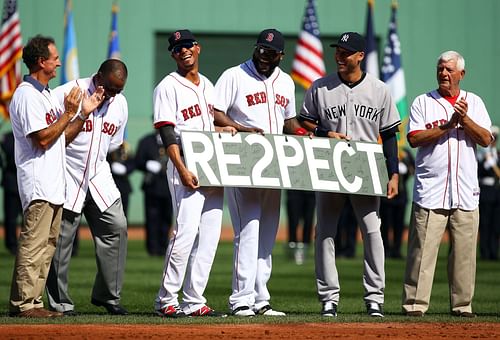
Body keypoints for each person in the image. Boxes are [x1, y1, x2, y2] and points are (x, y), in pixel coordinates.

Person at [298, 32, 401, 318]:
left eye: (346, 52)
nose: (339, 56)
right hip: (329, 166)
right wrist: (324, 132)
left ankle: (374, 298)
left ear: (360, 56)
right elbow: (303, 121)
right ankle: (329, 298)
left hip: (366, 168)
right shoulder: (320, 87)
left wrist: (393, 173)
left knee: (372, 232)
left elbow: (389, 135)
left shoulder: (379, 89)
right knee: (325, 233)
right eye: (338, 51)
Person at [8, 35, 103, 318]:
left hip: (53, 185)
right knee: (33, 245)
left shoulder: (46, 94)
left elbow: (61, 139)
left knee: (47, 247)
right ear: (41, 62)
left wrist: (81, 116)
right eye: (54, 57)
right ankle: (23, 304)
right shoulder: (26, 95)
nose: (59, 62)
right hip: (38, 183)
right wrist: (69, 112)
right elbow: (43, 140)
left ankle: (34, 303)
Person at [214, 28, 304, 317]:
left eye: (270, 53)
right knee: (248, 231)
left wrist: (307, 134)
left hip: (274, 165)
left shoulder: (286, 82)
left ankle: (260, 298)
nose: (264, 56)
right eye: (260, 50)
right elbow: (215, 113)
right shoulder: (234, 75)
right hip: (243, 162)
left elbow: (288, 122)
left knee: (267, 234)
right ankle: (241, 299)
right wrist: (241, 129)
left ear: (281, 55)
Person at [402, 51, 493, 318]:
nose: (444, 73)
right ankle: (415, 305)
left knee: (465, 255)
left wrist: (464, 120)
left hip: (465, 190)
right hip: (431, 189)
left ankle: (462, 305)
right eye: (440, 68)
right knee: (421, 253)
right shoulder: (423, 102)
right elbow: (415, 138)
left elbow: (487, 139)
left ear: (461, 74)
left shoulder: (473, 102)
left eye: (449, 69)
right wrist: (448, 125)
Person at [153, 29, 235, 318]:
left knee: (210, 237)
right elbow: (167, 133)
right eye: (177, 48)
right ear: (173, 55)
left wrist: (222, 128)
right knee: (185, 234)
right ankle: (166, 299)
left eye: (187, 45)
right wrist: (182, 169)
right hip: (185, 165)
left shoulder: (208, 86)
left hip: (212, 167)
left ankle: (194, 300)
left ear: (197, 48)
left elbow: (203, 128)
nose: (183, 51)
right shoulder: (168, 86)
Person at [46, 59, 129, 316]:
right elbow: (54, 138)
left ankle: (108, 296)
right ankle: (60, 302)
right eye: (111, 87)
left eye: (119, 89)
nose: (114, 94)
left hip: (98, 176)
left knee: (117, 227)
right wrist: (81, 113)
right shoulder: (68, 93)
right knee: (61, 242)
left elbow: (113, 144)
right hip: (68, 175)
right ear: (99, 77)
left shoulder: (120, 105)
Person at [135, 129, 173, 256]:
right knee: (152, 219)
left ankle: (163, 247)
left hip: (169, 187)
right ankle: (152, 248)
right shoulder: (146, 141)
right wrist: (147, 165)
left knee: (166, 218)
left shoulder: (174, 140)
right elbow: (138, 161)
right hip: (152, 187)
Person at [380, 147, 415, 259]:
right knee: (385, 224)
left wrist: (404, 160)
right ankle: (385, 249)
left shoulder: (405, 153)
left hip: (401, 195)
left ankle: (397, 250)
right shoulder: (384, 150)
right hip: (386, 195)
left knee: (399, 225)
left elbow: (412, 169)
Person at [477, 125, 500, 261]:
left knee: (496, 224)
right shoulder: (481, 156)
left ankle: (494, 252)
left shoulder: (497, 155)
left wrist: (493, 164)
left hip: (496, 192)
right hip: (485, 192)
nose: (493, 141)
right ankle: (484, 252)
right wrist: (485, 163)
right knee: (485, 224)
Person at [0, 131, 23, 255]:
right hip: (11, 183)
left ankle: (25, 244)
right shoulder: (8, 137)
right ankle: (12, 245)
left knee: (29, 218)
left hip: (24, 183)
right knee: (11, 218)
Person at [285, 189, 315, 265]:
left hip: (310, 191)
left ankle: (305, 248)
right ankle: (292, 247)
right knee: (293, 220)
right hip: (295, 190)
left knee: (308, 220)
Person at [107, 141, 135, 217]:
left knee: (123, 213)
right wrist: (110, 166)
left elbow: (133, 162)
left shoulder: (125, 148)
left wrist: (126, 169)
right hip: (109, 186)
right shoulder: (107, 147)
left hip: (123, 186)